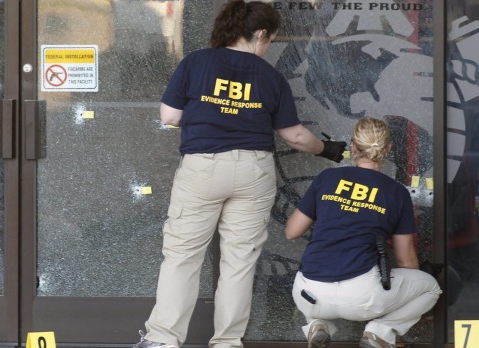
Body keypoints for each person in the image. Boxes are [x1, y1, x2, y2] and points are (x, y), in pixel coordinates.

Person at [135, 1, 347, 348]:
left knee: (182, 257)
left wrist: (209, 115)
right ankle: (228, 342)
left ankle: (162, 340)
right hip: (253, 170)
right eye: (270, 40)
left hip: (203, 167)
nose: (267, 48)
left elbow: (170, 116)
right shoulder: (270, 76)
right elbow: (294, 135)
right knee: (239, 262)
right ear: (260, 34)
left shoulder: (196, 62)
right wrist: (327, 150)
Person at [285, 117, 442, 348]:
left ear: (353, 146)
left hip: (309, 294)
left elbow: (291, 232)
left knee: (316, 278)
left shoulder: (327, 178)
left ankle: (317, 325)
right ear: (388, 148)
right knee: (430, 288)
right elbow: (405, 260)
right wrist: (403, 292)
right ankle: (379, 333)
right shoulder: (396, 193)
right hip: (361, 298)